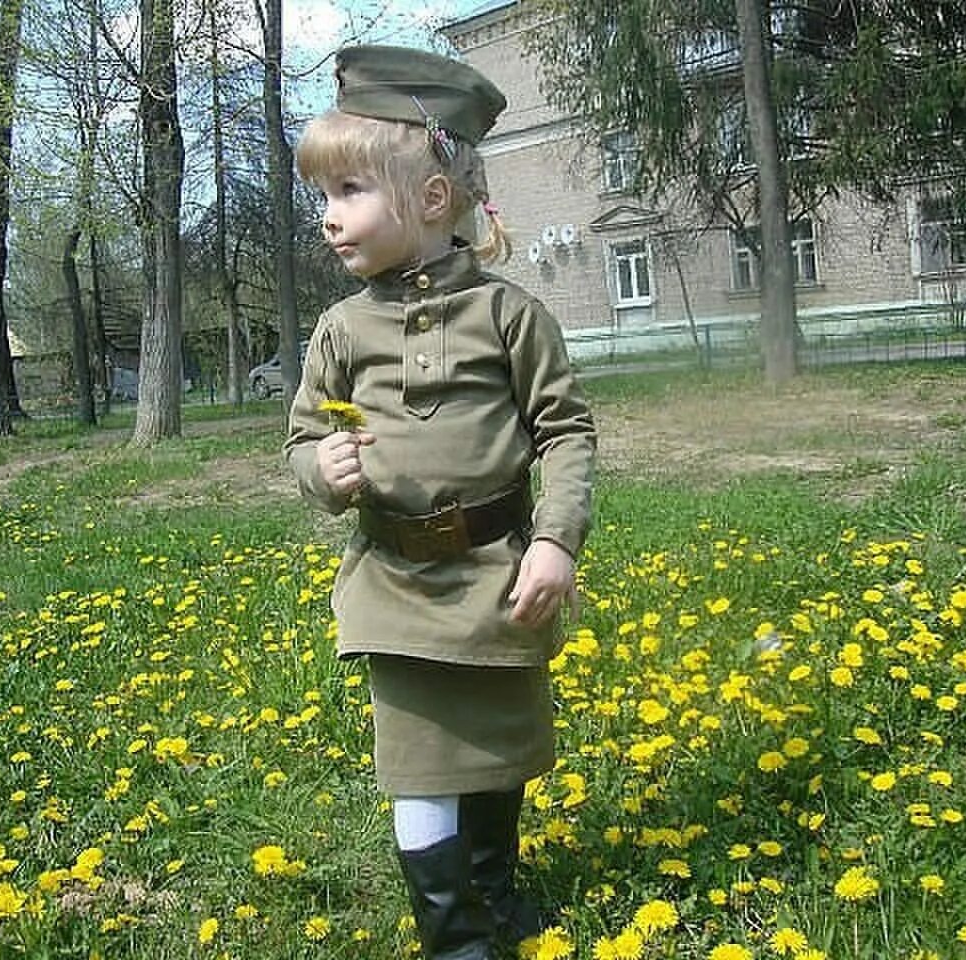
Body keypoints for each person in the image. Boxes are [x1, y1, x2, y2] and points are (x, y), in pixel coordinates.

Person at [285, 44, 596, 960]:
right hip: (397, 584)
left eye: (349, 192)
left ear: (429, 198)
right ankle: (455, 934)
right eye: (322, 199)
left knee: (499, 753)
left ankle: (493, 897)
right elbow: (302, 439)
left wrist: (556, 541)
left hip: (501, 578)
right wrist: (324, 470)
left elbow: (566, 433)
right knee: (421, 761)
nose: (329, 220)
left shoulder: (510, 316)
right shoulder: (341, 329)